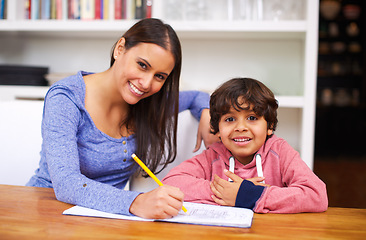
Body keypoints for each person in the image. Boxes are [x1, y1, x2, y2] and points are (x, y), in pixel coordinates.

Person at [26, 18, 216, 219]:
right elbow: (66, 184)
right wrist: (135, 201)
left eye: (159, 76)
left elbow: (197, 96)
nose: (146, 83)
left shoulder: (150, 103)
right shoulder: (66, 97)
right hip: (45, 211)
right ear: (120, 49)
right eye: (142, 65)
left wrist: (206, 113)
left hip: (101, 219)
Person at [162, 77, 328, 213]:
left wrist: (247, 195)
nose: (240, 127)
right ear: (218, 129)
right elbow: (171, 182)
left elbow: (316, 195)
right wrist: (226, 192)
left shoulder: (280, 152)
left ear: (269, 126)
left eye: (252, 118)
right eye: (230, 119)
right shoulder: (213, 155)